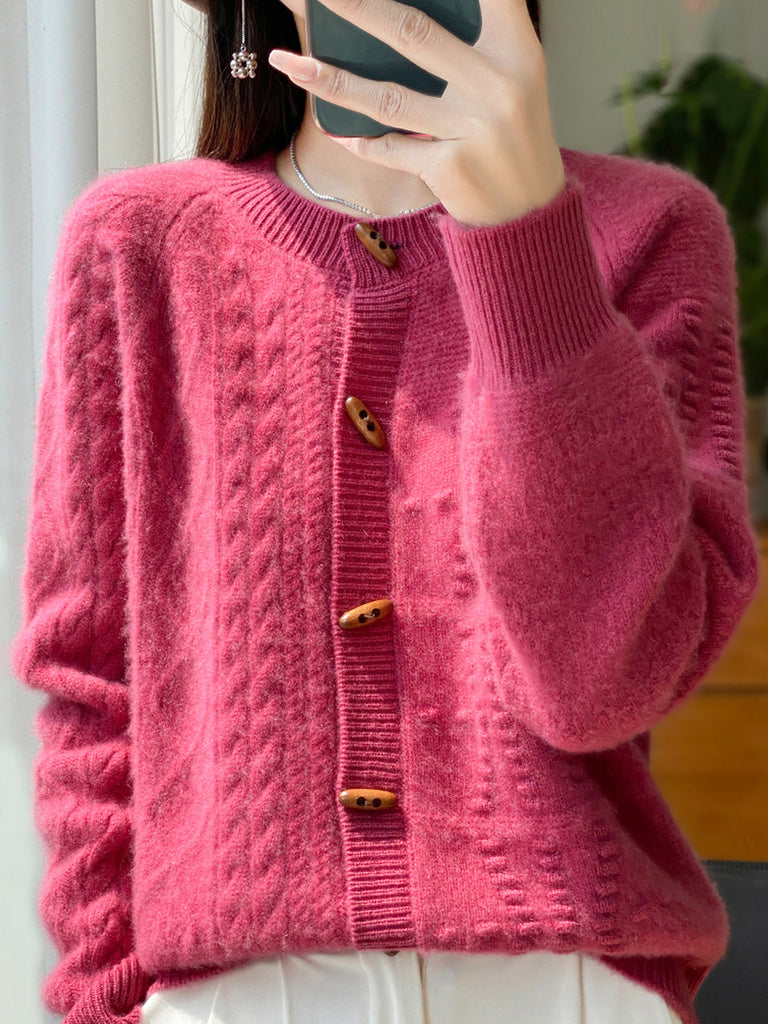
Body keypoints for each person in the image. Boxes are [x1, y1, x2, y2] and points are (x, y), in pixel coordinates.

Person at [9, 0, 760, 1023]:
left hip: (567, 991)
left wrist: (524, 239)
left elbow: (602, 686)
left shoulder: (651, 232)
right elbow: (93, 684)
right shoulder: (139, 243)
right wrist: (103, 1004)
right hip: (244, 999)